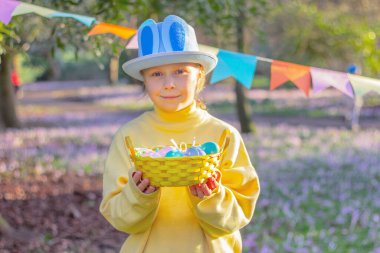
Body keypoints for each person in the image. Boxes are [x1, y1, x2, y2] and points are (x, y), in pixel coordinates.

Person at [99, 15, 260, 253]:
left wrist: (211, 195)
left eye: (180, 71)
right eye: (156, 74)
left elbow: (239, 213)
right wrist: (139, 193)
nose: (169, 84)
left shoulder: (223, 135)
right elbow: (119, 217)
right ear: (144, 80)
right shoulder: (129, 137)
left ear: (199, 76)